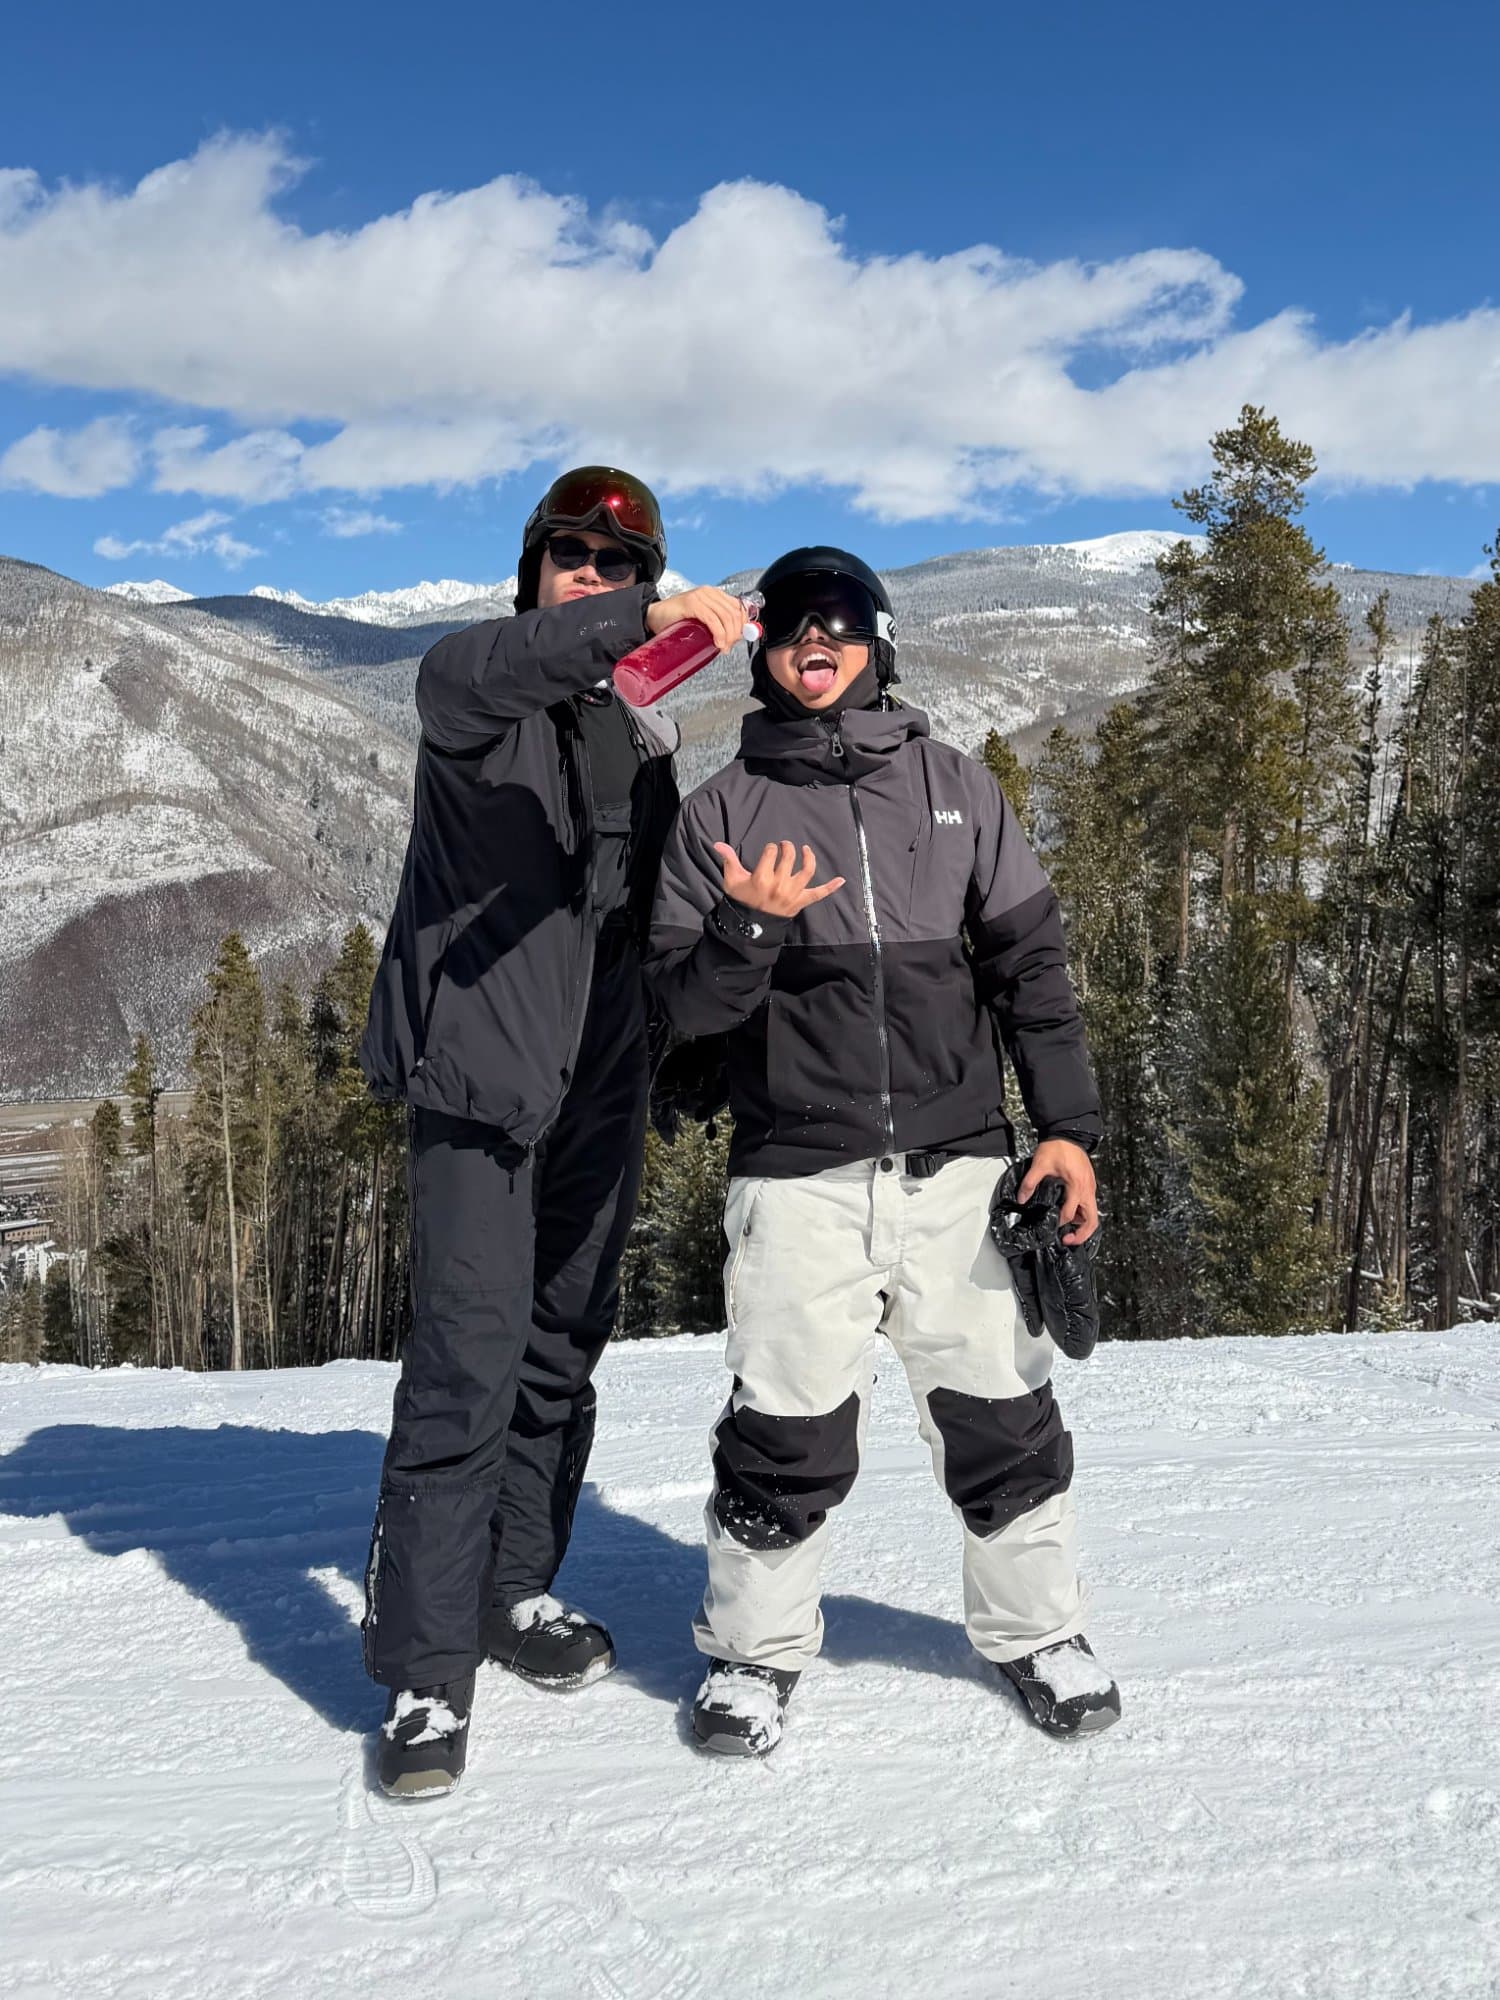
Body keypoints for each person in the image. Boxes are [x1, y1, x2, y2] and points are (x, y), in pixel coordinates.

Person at [645, 546, 1120, 1757]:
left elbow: (1033, 975)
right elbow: (679, 1013)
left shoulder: (958, 787)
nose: (819, 636)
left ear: (880, 640)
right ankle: (754, 1654)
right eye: (794, 622)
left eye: (843, 616)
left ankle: (1037, 1631)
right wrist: (748, 926)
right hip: (798, 1173)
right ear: (763, 651)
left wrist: (1066, 1127)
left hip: (962, 1168)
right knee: (786, 1427)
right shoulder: (722, 811)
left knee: (1005, 1413)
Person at [358, 467, 748, 1796]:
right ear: (533, 570)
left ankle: (514, 1591)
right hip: (477, 1077)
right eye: (572, 555)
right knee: (464, 1364)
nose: (591, 571)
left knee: (558, 1355)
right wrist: (645, 617)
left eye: (618, 559)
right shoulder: (474, 694)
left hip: (599, 1082)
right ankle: (422, 1672)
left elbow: (654, 929)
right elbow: (496, 670)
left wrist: (729, 963)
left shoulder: (642, 738)